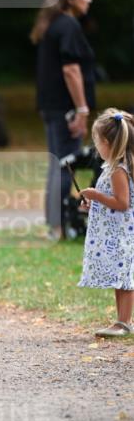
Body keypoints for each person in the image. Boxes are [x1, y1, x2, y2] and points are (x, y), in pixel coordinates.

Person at [31, 0, 96, 240]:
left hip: (51, 106)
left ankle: (55, 225)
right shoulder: (68, 26)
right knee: (66, 164)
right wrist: (81, 109)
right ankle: (59, 228)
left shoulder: (53, 25)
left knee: (57, 163)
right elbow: (71, 70)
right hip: (65, 108)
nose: (88, 0)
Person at [78, 109, 134, 338]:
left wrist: (96, 196)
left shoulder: (118, 170)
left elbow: (122, 202)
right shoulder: (112, 168)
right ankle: (120, 321)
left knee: (125, 279)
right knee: (119, 278)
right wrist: (95, 205)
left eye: (97, 142)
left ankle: (124, 322)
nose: (95, 147)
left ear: (108, 143)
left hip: (121, 235)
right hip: (115, 233)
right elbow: (114, 201)